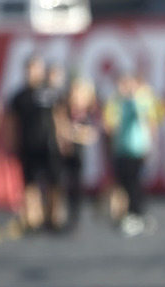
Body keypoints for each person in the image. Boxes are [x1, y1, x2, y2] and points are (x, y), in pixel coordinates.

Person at [5, 55, 62, 231]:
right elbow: (11, 122)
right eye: (30, 69)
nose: (32, 73)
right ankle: (32, 219)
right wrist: (10, 144)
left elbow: (59, 118)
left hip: (49, 145)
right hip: (28, 145)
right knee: (30, 183)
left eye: (36, 69)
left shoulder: (50, 92)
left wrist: (62, 140)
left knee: (53, 182)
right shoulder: (19, 96)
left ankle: (52, 219)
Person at [102, 72, 158, 237]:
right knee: (125, 184)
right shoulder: (118, 102)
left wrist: (150, 146)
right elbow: (109, 124)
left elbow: (148, 119)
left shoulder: (138, 102)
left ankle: (137, 215)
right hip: (122, 149)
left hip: (137, 149)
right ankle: (132, 214)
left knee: (135, 184)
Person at [55, 76, 99, 232]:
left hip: (78, 154)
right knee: (61, 185)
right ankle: (58, 217)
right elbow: (60, 129)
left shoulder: (85, 111)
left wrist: (76, 134)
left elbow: (91, 134)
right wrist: (73, 134)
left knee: (76, 186)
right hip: (63, 152)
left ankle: (74, 219)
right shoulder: (63, 108)